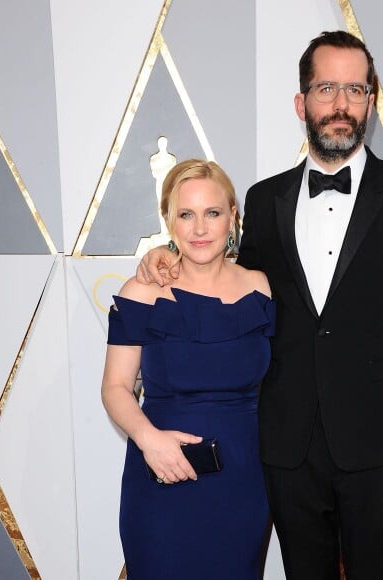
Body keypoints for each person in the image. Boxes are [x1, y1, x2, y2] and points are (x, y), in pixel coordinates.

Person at [137, 31, 383, 579]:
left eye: (355, 89)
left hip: (377, 447)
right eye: (326, 88)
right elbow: (227, 279)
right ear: (302, 102)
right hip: (284, 446)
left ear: (370, 103)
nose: (341, 104)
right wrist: (164, 255)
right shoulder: (262, 200)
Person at [102, 159, 275, 579]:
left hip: (244, 482)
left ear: (233, 216)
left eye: (212, 213)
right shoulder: (142, 290)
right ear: (169, 220)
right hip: (163, 475)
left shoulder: (259, 286)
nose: (200, 229)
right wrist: (148, 439)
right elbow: (116, 387)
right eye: (186, 214)